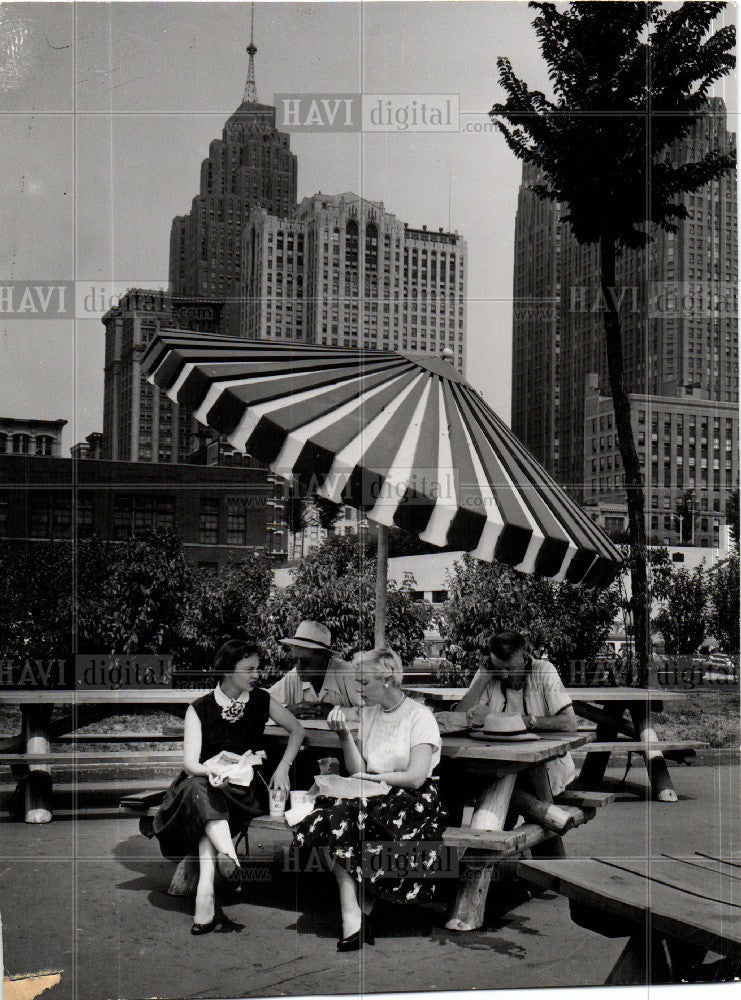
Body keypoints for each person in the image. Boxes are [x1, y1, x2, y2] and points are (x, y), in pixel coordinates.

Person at [142, 640, 304, 934]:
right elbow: (192, 763)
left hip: (244, 788)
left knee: (203, 798)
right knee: (199, 786)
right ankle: (224, 863)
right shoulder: (199, 709)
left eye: (258, 668)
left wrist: (283, 768)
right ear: (228, 671)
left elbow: (298, 729)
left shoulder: (261, 700)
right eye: (250, 669)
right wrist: (212, 769)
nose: (258, 675)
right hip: (206, 781)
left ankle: (207, 888)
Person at [291, 647, 447, 951]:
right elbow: (357, 768)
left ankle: (354, 918)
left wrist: (373, 779)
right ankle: (356, 917)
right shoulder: (370, 715)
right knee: (328, 813)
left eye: (363, 683)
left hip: (413, 798)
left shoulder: (419, 716)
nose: (357, 689)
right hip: (376, 794)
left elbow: (416, 776)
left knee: (346, 817)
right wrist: (345, 736)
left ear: (387, 679)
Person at [455, 631, 578, 796]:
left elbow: (570, 723)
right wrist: (482, 680)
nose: (504, 674)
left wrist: (523, 722)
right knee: (455, 781)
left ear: (525, 657)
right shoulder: (489, 674)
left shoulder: (544, 672)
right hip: (499, 768)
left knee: (530, 806)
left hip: (547, 771)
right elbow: (457, 718)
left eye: (510, 668)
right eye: (499, 668)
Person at [268, 621, 362, 713]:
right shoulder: (294, 676)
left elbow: (371, 712)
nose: (298, 667)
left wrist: (336, 712)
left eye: (306, 661)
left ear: (325, 657)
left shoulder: (348, 674)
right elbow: (262, 702)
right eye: (295, 660)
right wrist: (288, 711)